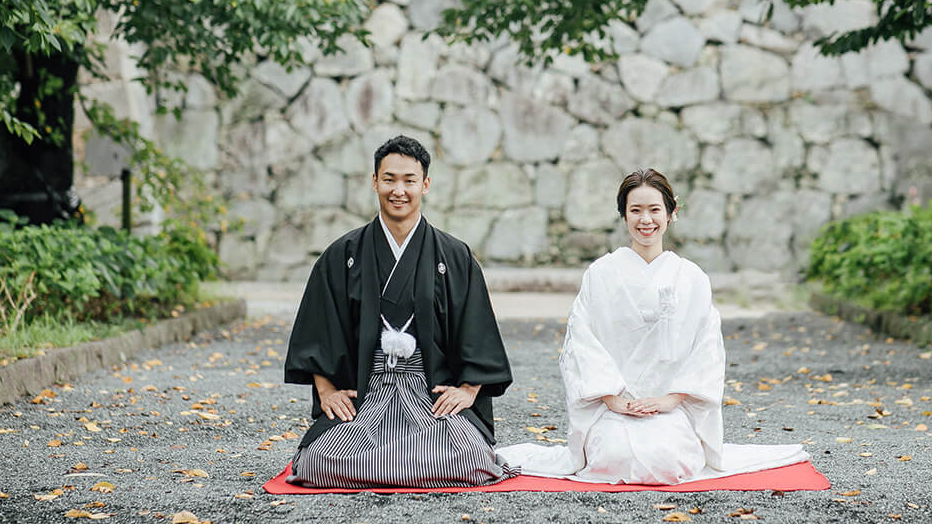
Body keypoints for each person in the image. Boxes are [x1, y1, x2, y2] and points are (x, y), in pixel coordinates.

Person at [497, 168, 809, 484]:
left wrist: (669, 400)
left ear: (671, 214)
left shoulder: (692, 277)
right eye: (635, 210)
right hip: (614, 405)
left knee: (667, 461)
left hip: (671, 406)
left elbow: (707, 347)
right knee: (615, 458)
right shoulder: (601, 273)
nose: (646, 220)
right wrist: (613, 399)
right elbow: (582, 340)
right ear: (624, 216)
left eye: (654, 209)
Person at [283, 135, 516, 488]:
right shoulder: (342, 255)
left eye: (409, 181)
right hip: (368, 391)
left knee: (470, 459)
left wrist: (468, 390)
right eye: (389, 179)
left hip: (428, 391)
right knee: (317, 463)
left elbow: (477, 327)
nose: (399, 190)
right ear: (374, 181)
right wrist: (327, 390)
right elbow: (319, 327)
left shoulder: (453, 256)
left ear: (425, 185)